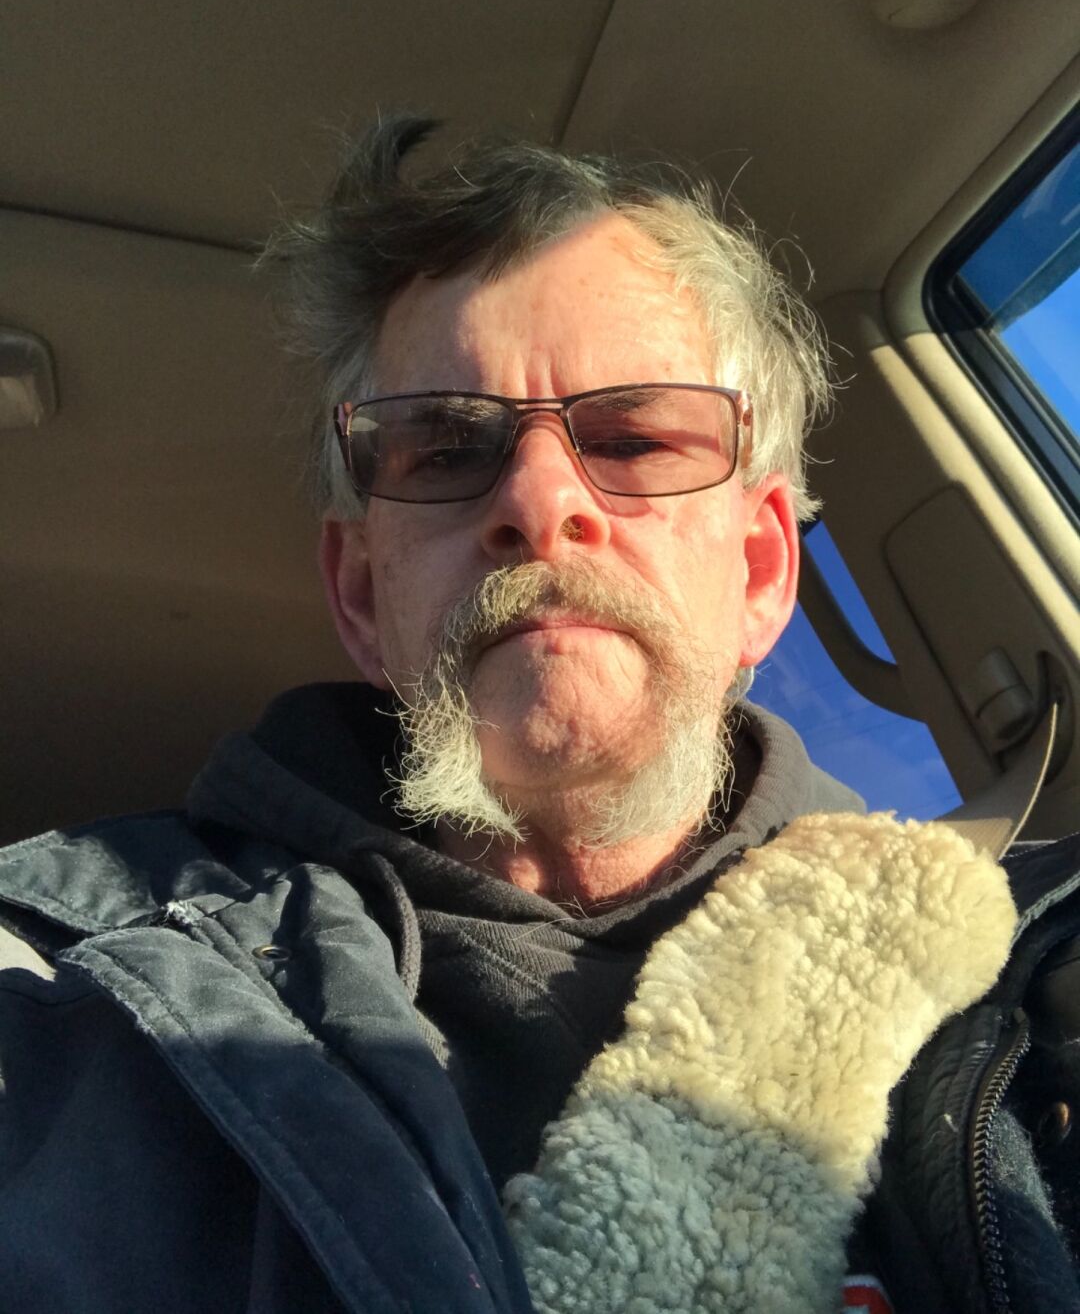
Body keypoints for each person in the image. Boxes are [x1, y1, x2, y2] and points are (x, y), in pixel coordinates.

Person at [0, 117, 1075, 1314]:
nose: (539, 497)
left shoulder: (1034, 978)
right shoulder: (66, 996)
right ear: (360, 594)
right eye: (445, 448)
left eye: (633, 437)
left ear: (764, 569)